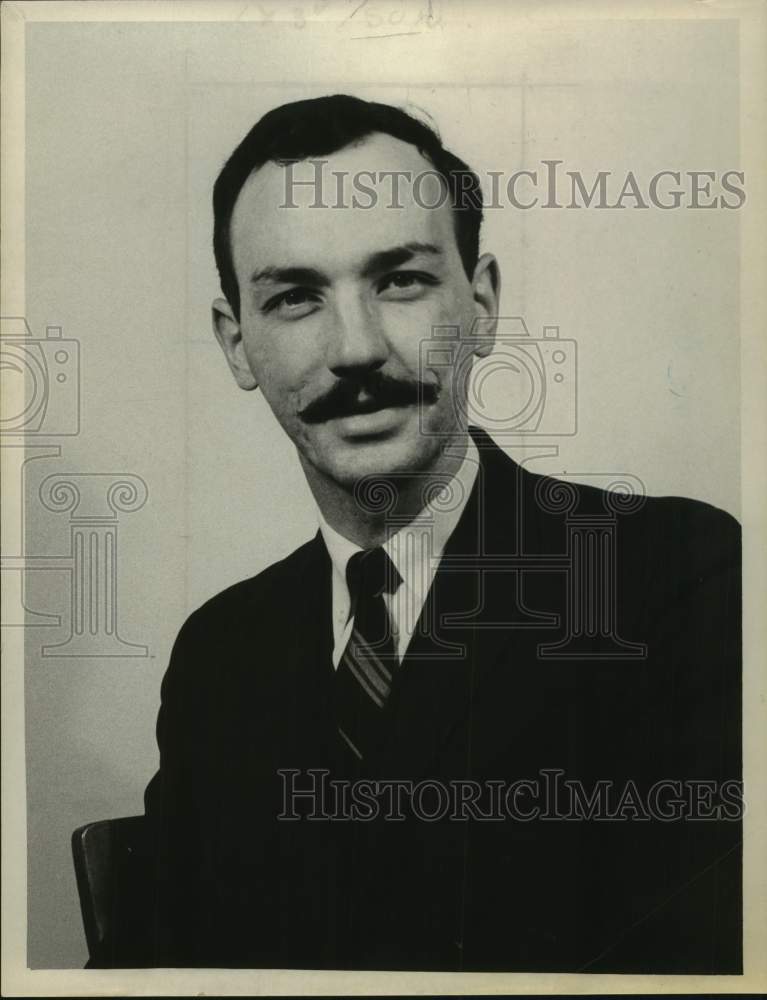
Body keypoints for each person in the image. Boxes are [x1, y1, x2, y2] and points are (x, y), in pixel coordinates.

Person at [93, 94, 741, 972]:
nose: (355, 348)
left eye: (399, 280)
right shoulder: (219, 652)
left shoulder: (674, 578)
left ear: (479, 305)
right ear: (236, 344)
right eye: (293, 298)